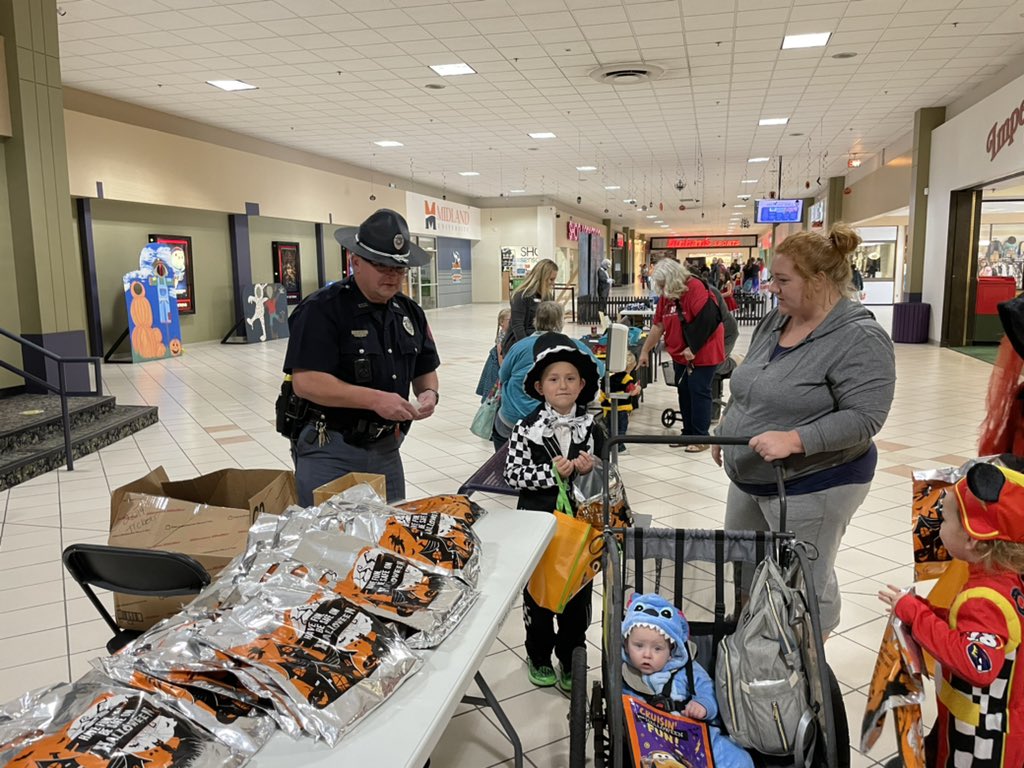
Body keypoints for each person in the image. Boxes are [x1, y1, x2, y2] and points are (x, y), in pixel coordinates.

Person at [713, 223, 895, 635]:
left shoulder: (858, 337)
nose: (771, 289)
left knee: (804, 578)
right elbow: (752, 381)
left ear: (819, 281)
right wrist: (729, 420)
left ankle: (809, 658)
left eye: (782, 280)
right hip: (752, 477)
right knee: (745, 564)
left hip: (814, 481)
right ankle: (751, 641)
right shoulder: (777, 321)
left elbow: (866, 417)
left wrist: (795, 440)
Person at [283, 208, 440, 505]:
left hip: (386, 447)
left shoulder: (409, 312)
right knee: (328, 540)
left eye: (399, 269)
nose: (392, 276)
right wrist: (375, 400)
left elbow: (424, 368)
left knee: (387, 536)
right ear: (355, 261)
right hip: (330, 445)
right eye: (382, 266)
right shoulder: (322, 310)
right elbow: (307, 383)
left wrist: (429, 393)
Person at [878, 462, 1024, 768]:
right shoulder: (1004, 579)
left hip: (982, 741)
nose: (937, 527)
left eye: (944, 520)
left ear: (972, 539)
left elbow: (977, 664)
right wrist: (930, 612)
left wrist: (918, 616)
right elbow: (974, 630)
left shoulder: (985, 599)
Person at [504, 333, 599, 692]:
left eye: (570, 378)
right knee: (540, 596)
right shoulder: (525, 429)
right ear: (540, 387)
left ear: (582, 385)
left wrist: (590, 469)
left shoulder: (591, 428)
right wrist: (549, 473)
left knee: (577, 596)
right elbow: (513, 474)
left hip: (580, 528)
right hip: (538, 525)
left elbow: (606, 475)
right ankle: (539, 655)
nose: (563, 385)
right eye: (554, 379)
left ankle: (572, 656)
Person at [621, 593, 754, 768]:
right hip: (653, 740)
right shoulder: (627, 674)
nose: (647, 655)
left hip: (693, 734)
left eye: (657, 649)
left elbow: (710, 691)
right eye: (638, 646)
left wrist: (703, 705)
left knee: (740, 759)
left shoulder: (688, 670)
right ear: (626, 643)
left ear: (672, 650)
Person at [638, 258, 724, 452]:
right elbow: (658, 325)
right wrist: (645, 350)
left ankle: (701, 437)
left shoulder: (694, 287)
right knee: (683, 390)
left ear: (671, 278)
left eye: (662, 284)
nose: (660, 289)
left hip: (703, 351)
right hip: (680, 355)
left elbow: (708, 320)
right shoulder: (667, 295)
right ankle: (688, 434)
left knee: (698, 390)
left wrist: (693, 348)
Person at [492, 301, 604, 451]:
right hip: (553, 424)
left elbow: (502, 375)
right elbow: (599, 371)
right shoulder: (574, 346)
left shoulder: (519, 346)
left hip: (511, 420)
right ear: (560, 322)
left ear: (535, 320)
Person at [503, 258, 558, 355]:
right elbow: (517, 325)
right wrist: (527, 348)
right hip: (521, 343)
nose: (553, 283)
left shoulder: (548, 296)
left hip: (540, 342)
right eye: (551, 279)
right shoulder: (522, 295)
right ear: (541, 277)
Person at [600, 351, 640, 453]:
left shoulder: (607, 378)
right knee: (621, 429)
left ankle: (610, 446)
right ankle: (620, 447)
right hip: (622, 409)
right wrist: (638, 388)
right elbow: (631, 392)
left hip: (608, 408)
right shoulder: (626, 378)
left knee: (610, 428)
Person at [475, 308, 510, 401]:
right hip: (496, 366)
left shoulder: (508, 335)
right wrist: (504, 369)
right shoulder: (502, 336)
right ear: (501, 322)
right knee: (492, 388)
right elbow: (500, 355)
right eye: (510, 320)